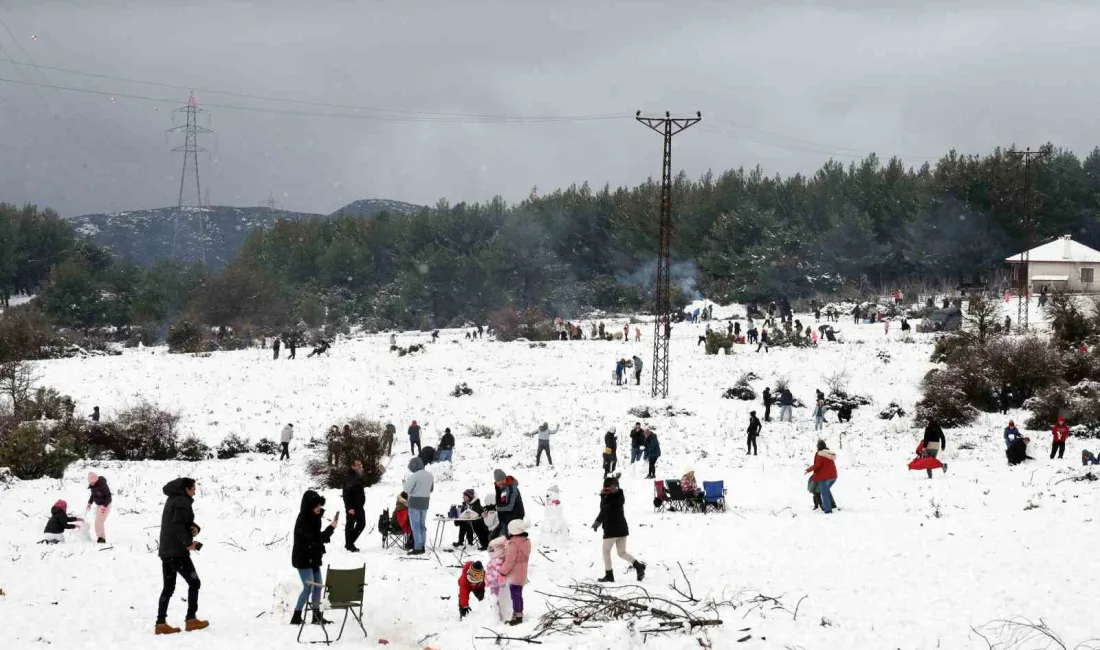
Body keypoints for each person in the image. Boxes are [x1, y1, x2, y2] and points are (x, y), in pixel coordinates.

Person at [156, 478, 207, 634]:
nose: (195, 491)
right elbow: (177, 525)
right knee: (195, 582)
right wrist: (188, 543)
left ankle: (160, 623)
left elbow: (181, 522)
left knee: (168, 587)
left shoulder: (174, 499)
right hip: (177, 552)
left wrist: (195, 528)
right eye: (193, 488)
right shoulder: (182, 501)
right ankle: (191, 619)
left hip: (167, 550)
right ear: (186, 489)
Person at [291, 490, 339, 626]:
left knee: (318, 586)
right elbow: (315, 539)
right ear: (309, 506)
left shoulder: (314, 517)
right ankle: (296, 615)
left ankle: (316, 616)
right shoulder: (302, 521)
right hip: (303, 558)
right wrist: (331, 528)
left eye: (319, 505)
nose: (319, 508)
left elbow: (318, 538)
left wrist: (328, 531)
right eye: (315, 505)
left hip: (314, 557)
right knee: (309, 588)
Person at [592, 476, 647, 583]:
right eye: (606, 487)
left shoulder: (616, 497)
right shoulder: (607, 496)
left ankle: (609, 575)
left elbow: (613, 504)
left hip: (613, 529)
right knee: (621, 552)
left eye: (611, 487)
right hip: (621, 529)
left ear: (616, 487)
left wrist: (612, 493)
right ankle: (638, 566)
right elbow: (604, 510)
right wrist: (598, 521)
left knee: (606, 551)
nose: (608, 490)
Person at [500, 519, 532, 626]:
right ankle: (518, 614)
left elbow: (510, 561)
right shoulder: (526, 541)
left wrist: (503, 572)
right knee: (518, 595)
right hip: (522, 574)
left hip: (514, 575)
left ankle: (518, 616)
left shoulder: (513, 544)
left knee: (515, 596)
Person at [403, 457, 434, 554]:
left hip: (414, 503)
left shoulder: (414, 476)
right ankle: (422, 546)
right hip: (425, 503)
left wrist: (405, 483)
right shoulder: (430, 475)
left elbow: (406, 490)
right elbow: (431, 489)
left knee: (415, 526)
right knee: (422, 526)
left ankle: (417, 547)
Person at [486, 469, 525, 540]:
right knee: (491, 537)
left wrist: (495, 508)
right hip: (505, 520)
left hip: (514, 520)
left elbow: (509, 506)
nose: (500, 482)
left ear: (505, 479)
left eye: (502, 480)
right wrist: (491, 507)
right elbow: (500, 504)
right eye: (498, 481)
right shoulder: (501, 489)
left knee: (501, 541)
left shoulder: (512, 488)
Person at [805, 440, 838, 514]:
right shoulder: (828, 453)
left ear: (818, 447)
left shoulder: (820, 454)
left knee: (824, 492)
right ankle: (833, 505)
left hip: (826, 477)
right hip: (834, 476)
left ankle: (828, 510)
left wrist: (808, 470)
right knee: (827, 490)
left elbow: (817, 465)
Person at [485, 537, 513, 622]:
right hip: (494, 584)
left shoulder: (500, 560)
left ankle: (501, 615)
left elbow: (500, 571)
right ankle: (496, 614)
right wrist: (487, 578)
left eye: (492, 549)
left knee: (500, 600)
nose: (490, 551)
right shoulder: (493, 560)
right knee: (495, 599)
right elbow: (490, 571)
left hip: (500, 584)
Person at [342, 459, 366, 552]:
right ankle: (349, 544)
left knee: (361, 524)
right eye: (358, 465)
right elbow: (346, 494)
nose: (360, 467)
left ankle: (349, 543)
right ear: (352, 466)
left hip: (359, 506)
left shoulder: (357, 476)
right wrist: (349, 507)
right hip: (352, 507)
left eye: (360, 465)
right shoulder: (350, 477)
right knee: (351, 526)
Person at [86, 472, 112, 544]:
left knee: (99, 521)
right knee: (97, 522)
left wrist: (105, 506)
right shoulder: (93, 486)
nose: (91, 484)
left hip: (105, 504)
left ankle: (102, 539)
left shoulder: (102, 485)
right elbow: (93, 495)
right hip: (99, 505)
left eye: (92, 482)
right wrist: (89, 503)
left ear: (96, 480)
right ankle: (99, 537)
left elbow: (108, 496)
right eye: (90, 482)